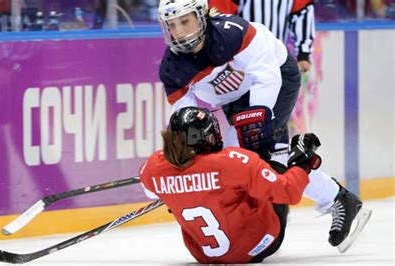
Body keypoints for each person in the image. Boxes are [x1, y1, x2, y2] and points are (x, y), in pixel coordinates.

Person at [156, 0, 370, 251]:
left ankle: (337, 198)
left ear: (202, 16)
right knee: (239, 160)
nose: (179, 31)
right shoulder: (172, 68)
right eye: (171, 25)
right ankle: (339, 198)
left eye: (184, 21)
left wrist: (256, 123)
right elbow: (188, 117)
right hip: (234, 102)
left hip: (277, 78)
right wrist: (194, 155)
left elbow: (266, 76)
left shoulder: (232, 32)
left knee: (259, 156)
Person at [139, 106, 371, 263]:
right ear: (210, 136)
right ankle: (339, 197)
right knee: (276, 161)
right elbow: (288, 193)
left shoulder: (153, 169)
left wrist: (181, 192)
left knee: (237, 187)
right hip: (260, 243)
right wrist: (302, 163)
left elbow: (151, 192)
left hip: (205, 257)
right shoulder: (234, 162)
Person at [208, 0, 315, 73]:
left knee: (273, 100)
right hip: (241, 59)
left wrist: (303, 54)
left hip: (276, 57)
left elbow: (302, 13)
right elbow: (220, 17)